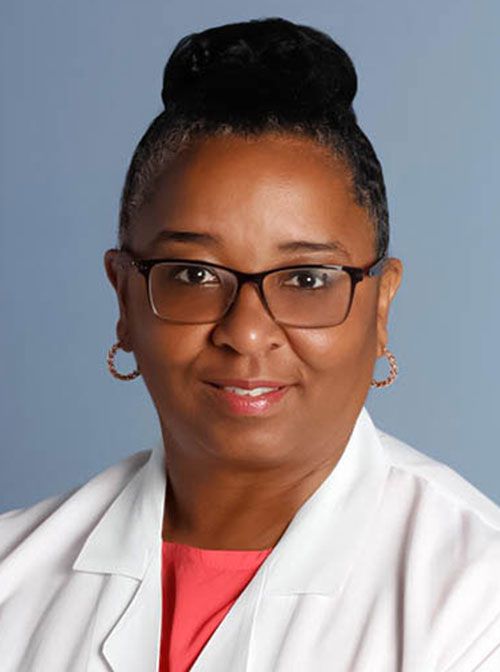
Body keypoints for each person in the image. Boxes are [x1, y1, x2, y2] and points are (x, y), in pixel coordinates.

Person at [1, 16, 499, 672]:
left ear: (380, 307)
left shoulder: (476, 597)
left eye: (307, 279)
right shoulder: (13, 575)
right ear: (124, 298)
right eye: (194, 275)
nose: (246, 332)